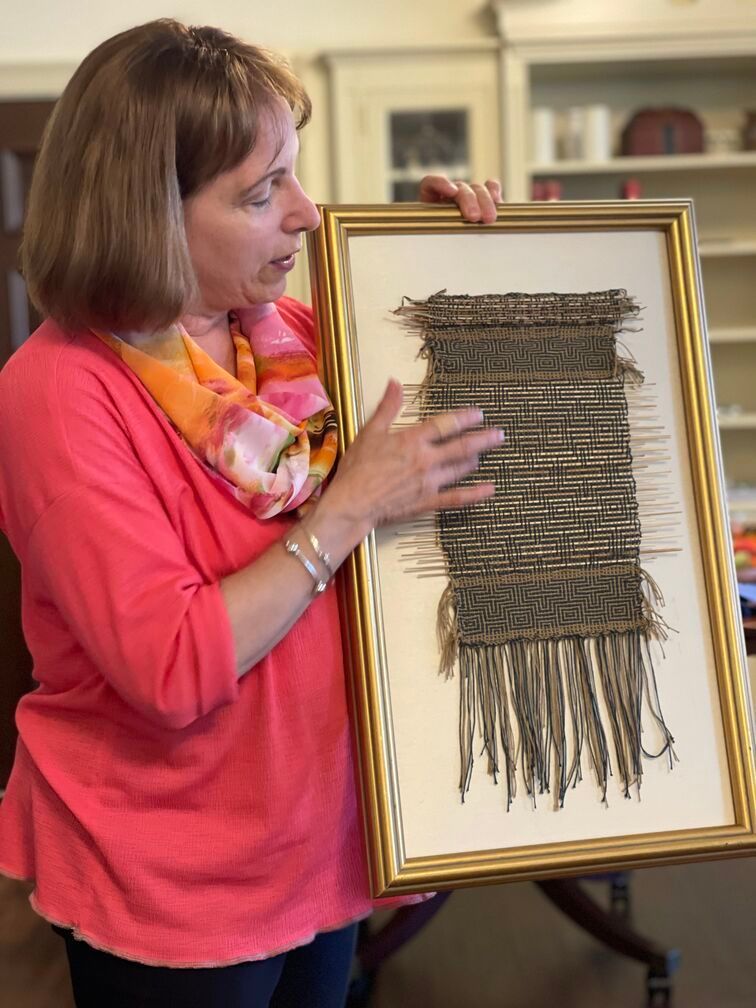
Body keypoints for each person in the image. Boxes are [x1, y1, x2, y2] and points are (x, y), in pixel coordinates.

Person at [0, 19, 502, 1008]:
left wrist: (460, 263)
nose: (309, 216)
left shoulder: (294, 340)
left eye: (295, 176)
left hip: (323, 842)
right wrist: (346, 509)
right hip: (178, 883)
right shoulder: (57, 392)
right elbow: (173, 667)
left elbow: (468, 452)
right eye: (263, 191)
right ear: (149, 215)